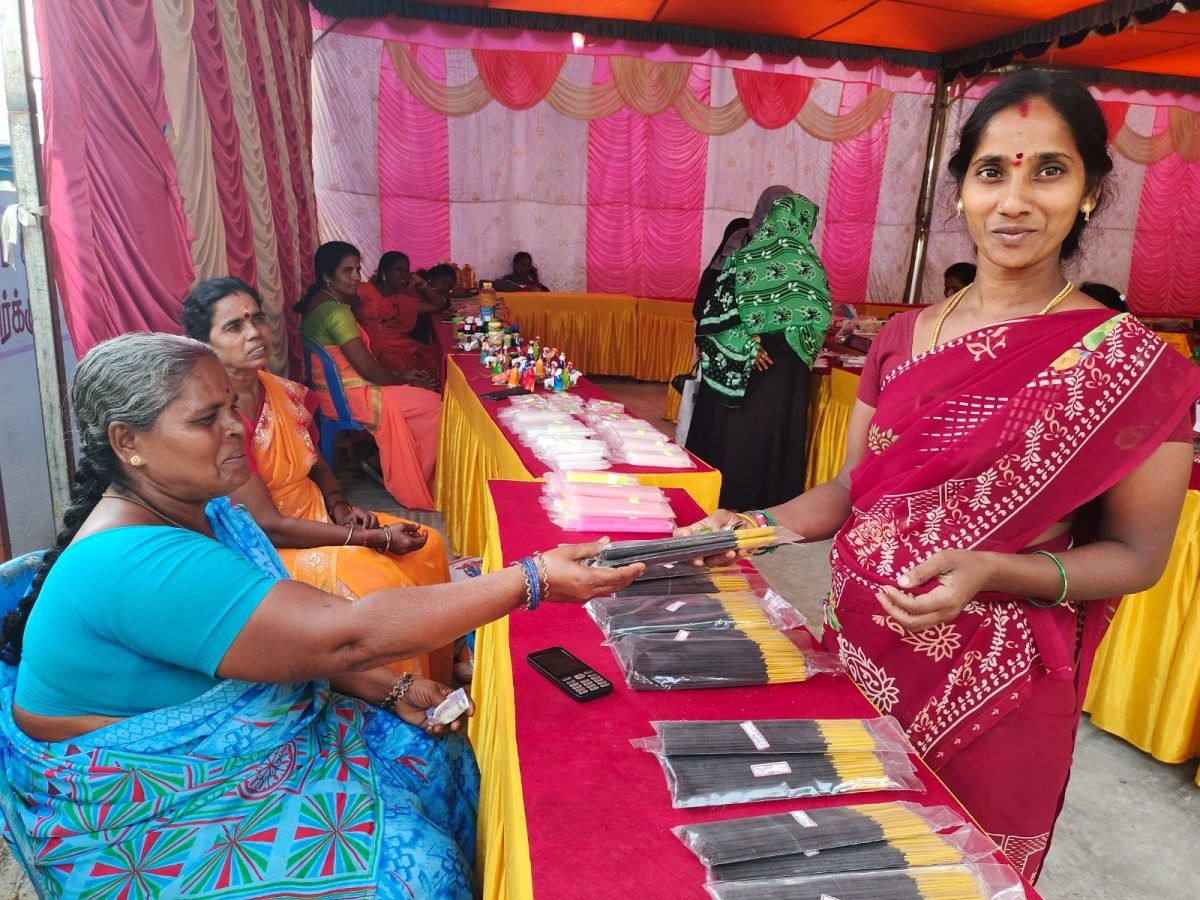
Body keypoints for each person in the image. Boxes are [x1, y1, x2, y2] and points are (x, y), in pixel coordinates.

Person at [683, 71, 1200, 882]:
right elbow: (852, 489)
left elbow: (1138, 555)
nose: (1015, 201)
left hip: (998, 688)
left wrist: (996, 569)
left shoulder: (1134, 368)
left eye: (1049, 171)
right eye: (992, 172)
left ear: (1091, 192)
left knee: (953, 875)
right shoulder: (902, 338)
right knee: (843, 857)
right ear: (960, 190)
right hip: (860, 648)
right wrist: (754, 526)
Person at [0, 332, 641, 898]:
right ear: (128, 442)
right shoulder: (133, 561)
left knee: (429, 754)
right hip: (152, 805)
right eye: (206, 418)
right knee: (413, 874)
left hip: (237, 747)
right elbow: (341, 638)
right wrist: (531, 579)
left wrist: (391, 688)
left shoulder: (202, 511)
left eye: (232, 407)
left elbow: (278, 644)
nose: (235, 427)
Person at [184, 276, 456, 682]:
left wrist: (340, 506)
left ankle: (438, 670)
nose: (255, 333)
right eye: (234, 326)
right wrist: (372, 538)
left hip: (317, 518)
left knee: (427, 542)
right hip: (266, 545)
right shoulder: (219, 419)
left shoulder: (278, 390)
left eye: (257, 319)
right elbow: (270, 525)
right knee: (377, 578)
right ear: (204, 344)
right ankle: (400, 694)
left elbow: (314, 462)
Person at [686, 187, 832, 510]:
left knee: (743, 448)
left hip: (762, 369)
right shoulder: (809, 269)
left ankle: (737, 505)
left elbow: (713, 314)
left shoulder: (743, 260)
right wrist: (756, 343)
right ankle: (763, 510)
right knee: (760, 449)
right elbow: (816, 321)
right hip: (777, 372)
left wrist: (749, 342)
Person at [297, 241, 441, 510]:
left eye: (357, 270)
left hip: (336, 391)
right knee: (434, 405)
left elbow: (366, 367)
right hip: (351, 396)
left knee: (420, 393)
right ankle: (414, 480)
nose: (356, 277)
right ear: (327, 276)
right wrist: (408, 381)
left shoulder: (321, 302)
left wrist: (401, 376)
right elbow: (369, 370)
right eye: (347, 271)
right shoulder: (336, 313)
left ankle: (384, 461)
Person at [354, 252, 446, 383]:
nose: (404, 275)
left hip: (401, 347)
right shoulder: (365, 289)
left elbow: (438, 305)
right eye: (398, 270)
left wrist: (422, 283)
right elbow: (341, 304)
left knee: (438, 366)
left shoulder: (401, 300)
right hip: (370, 351)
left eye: (406, 271)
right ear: (384, 272)